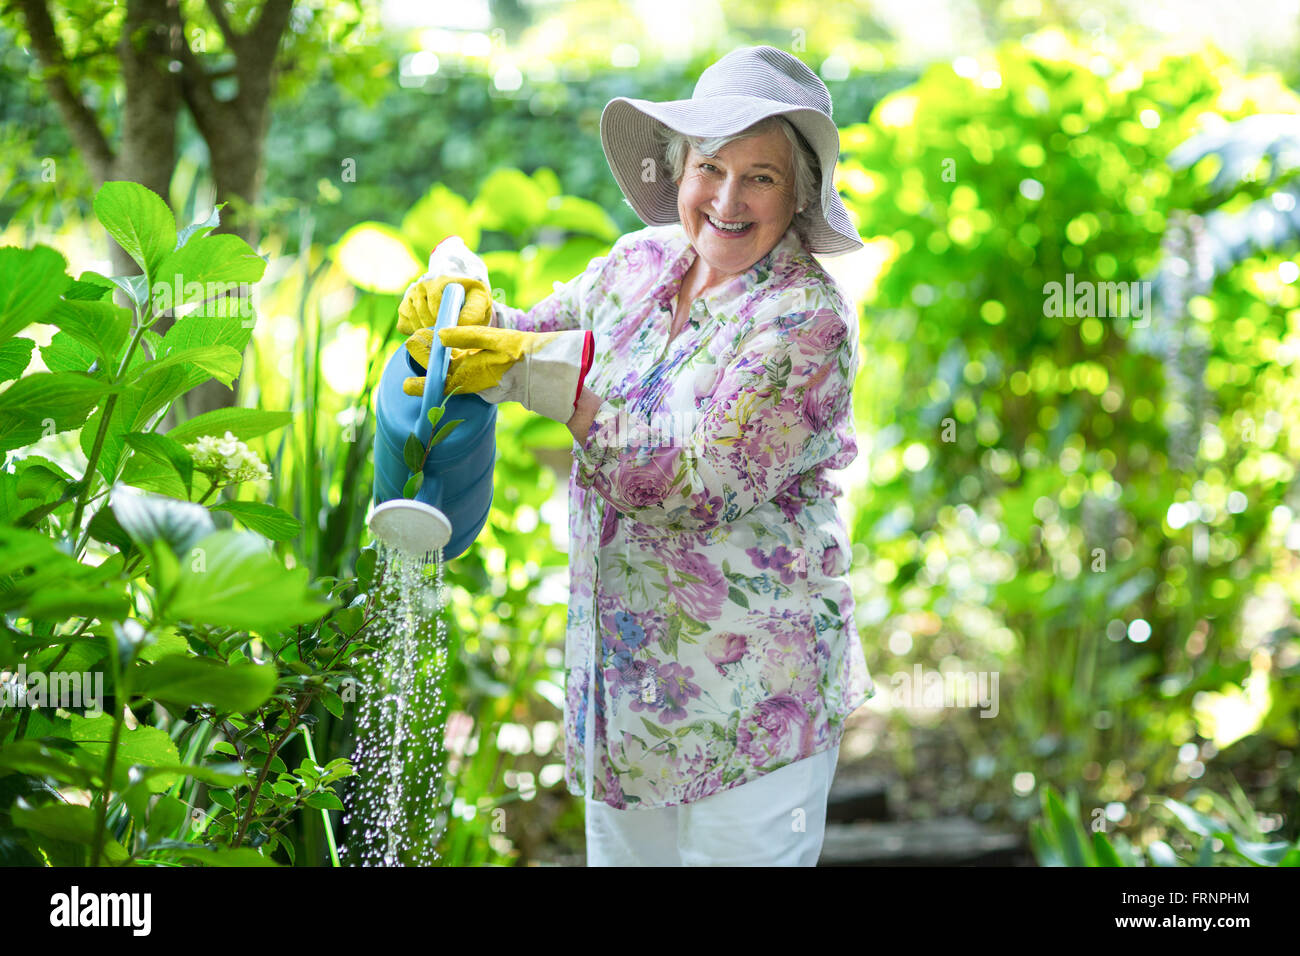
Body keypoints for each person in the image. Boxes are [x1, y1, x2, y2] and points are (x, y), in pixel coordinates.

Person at [397, 45, 875, 866]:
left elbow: (703, 479)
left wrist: (564, 399)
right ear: (681, 169)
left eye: (759, 177)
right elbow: (531, 334)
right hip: (626, 689)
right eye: (710, 167)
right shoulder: (638, 262)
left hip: (751, 699)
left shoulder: (806, 321)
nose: (727, 199)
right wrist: (464, 305)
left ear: (798, 195)